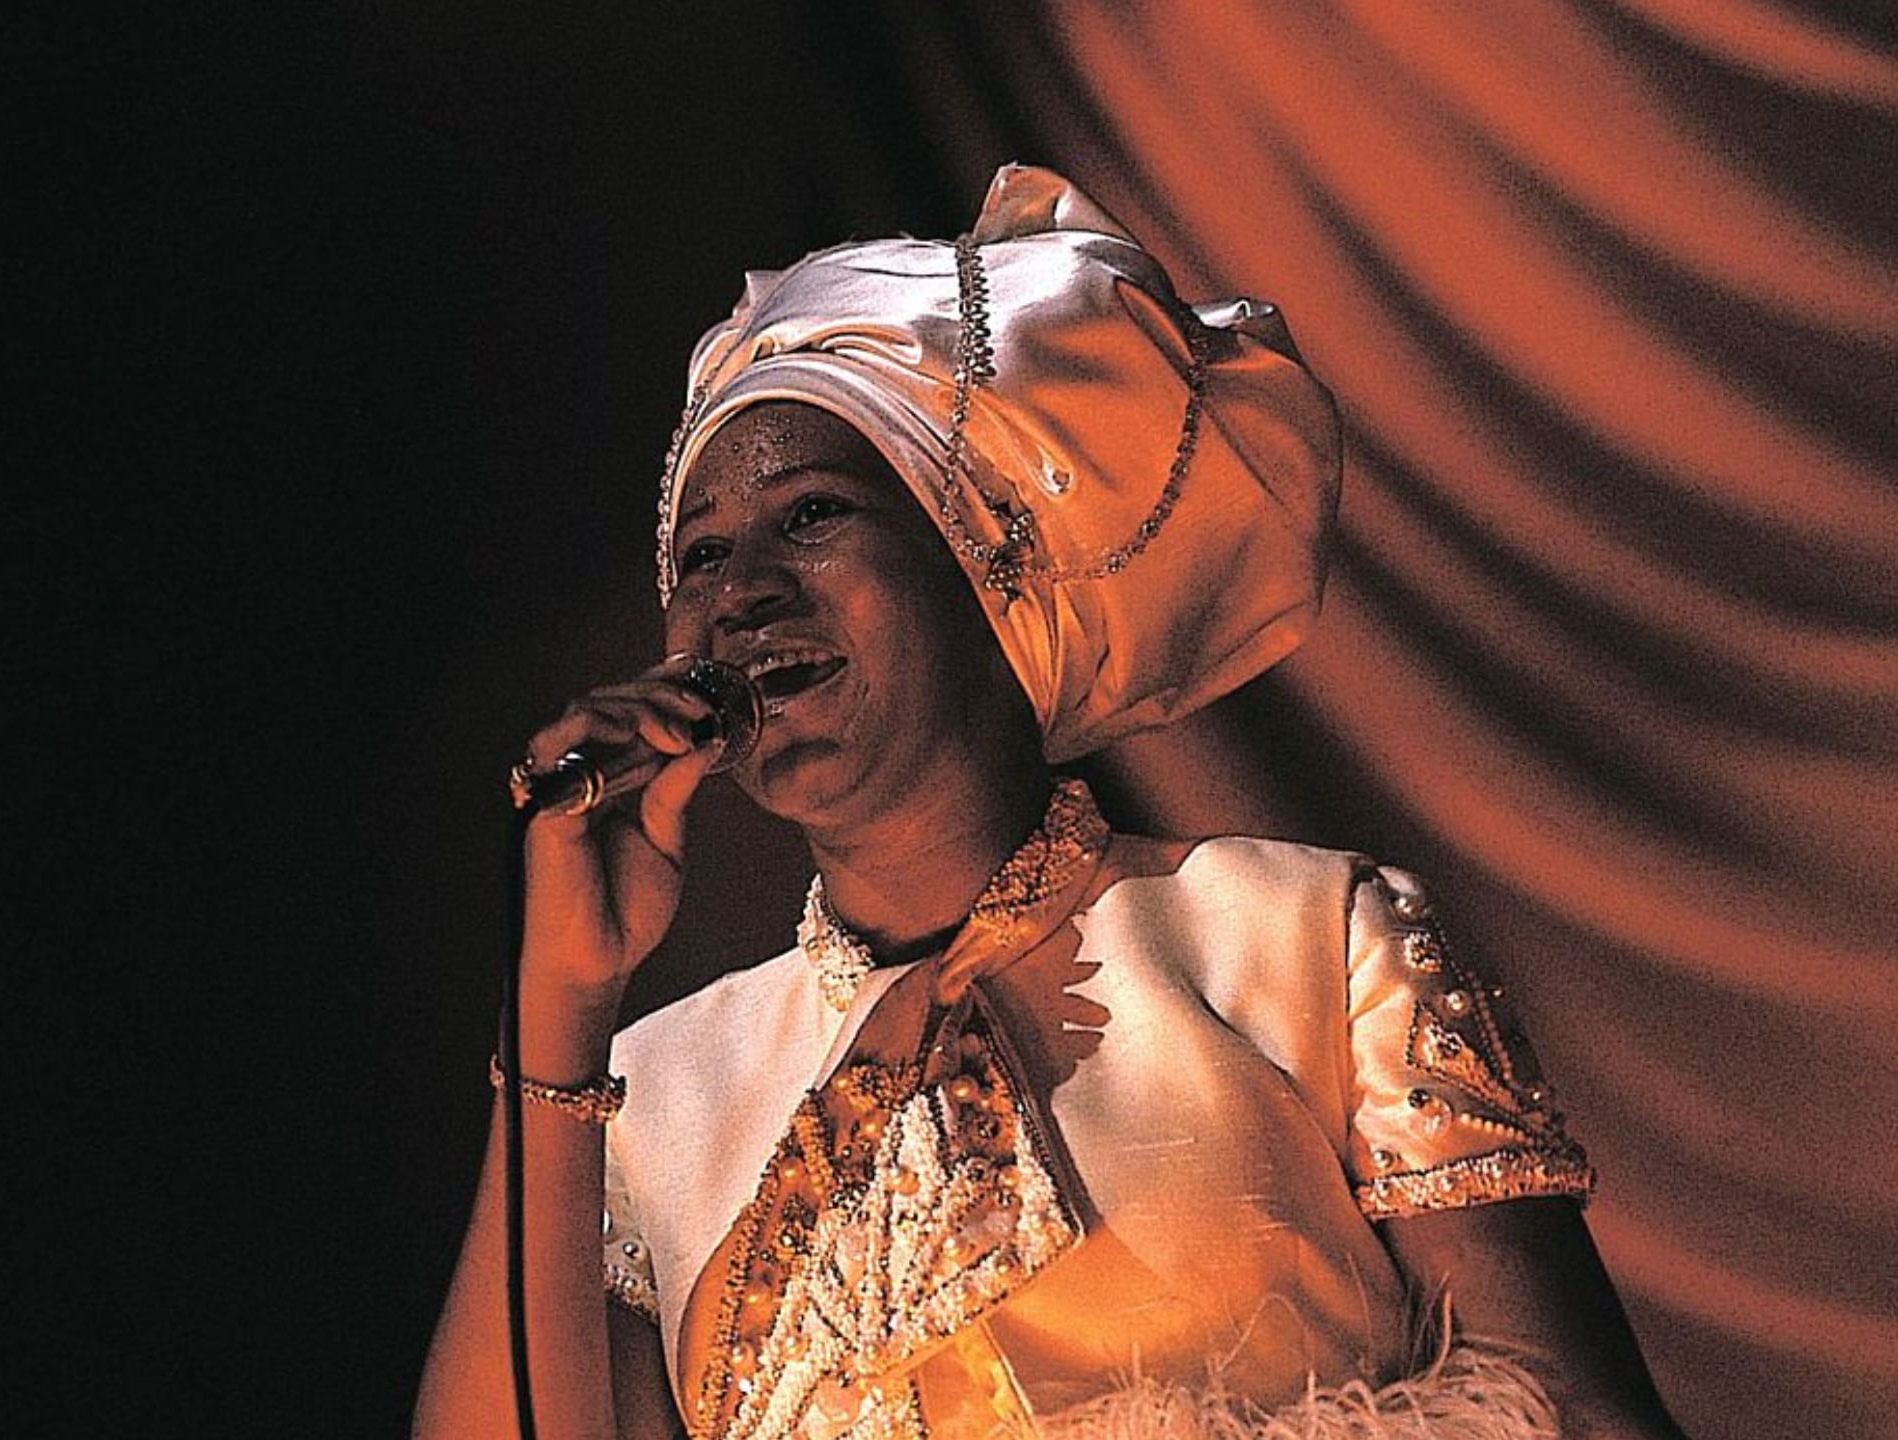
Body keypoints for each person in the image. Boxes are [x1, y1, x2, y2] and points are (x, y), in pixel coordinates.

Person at [415, 166, 1689, 1440]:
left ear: (982, 562)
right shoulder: (650, 1094)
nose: (737, 594)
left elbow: (1572, 1420)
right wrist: (560, 1012)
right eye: (699, 555)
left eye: (808, 516)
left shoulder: (1305, 940)